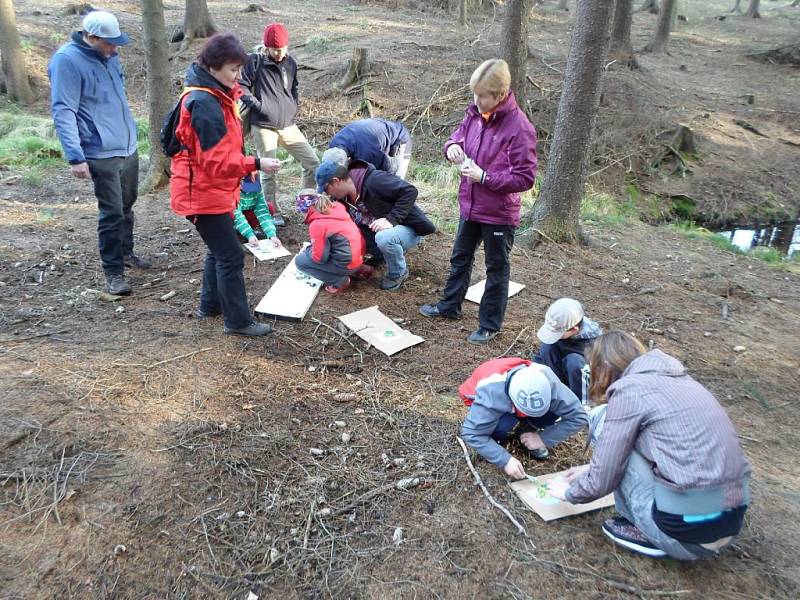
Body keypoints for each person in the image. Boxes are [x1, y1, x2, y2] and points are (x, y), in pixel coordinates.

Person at [547, 332, 751, 560]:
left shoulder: (628, 390)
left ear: (604, 366)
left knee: (603, 419)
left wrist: (567, 493)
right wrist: (589, 468)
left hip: (683, 536)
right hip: (730, 523)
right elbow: (674, 448)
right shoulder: (682, 381)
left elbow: (603, 478)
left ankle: (643, 529)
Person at [169, 33, 282, 336]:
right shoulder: (204, 103)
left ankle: (210, 305)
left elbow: (224, 152)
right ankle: (238, 321)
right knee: (231, 254)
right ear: (214, 67)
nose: (238, 76)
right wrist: (255, 164)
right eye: (233, 70)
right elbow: (216, 161)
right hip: (201, 193)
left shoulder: (217, 95)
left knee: (218, 251)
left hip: (211, 190)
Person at [419, 59, 537, 345]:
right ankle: (449, 306)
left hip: (498, 212)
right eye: (474, 94)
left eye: (482, 96)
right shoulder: (474, 113)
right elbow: (455, 137)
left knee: (496, 269)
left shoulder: (519, 127)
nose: (476, 100)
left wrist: (484, 177)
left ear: (499, 95)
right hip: (470, 204)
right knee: (460, 257)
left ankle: (489, 324)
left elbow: (524, 178)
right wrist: (452, 148)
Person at [48, 10, 150, 296]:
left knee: (127, 204)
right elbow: (63, 110)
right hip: (98, 151)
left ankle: (127, 253)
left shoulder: (110, 56)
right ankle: (113, 272)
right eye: (109, 43)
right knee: (112, 212)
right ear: (91, 37)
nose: (115, 48)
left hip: (126, 146)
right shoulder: (66, 61)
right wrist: (75, 156)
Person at [315, 159, 435, 291]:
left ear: (336, 181)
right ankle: (382, 255)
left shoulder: (374, 180)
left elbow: (410, 191)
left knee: (384, 238)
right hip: (379, 230)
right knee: (352, 231)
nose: (328, 194)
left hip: (408, 228)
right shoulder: (343, 198)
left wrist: (391, 220)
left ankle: (398, 273)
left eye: (327, 189)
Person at [460, 358, 589, 475]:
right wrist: (504, 460)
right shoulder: (491, 396)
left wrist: (543, 438)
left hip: (514, 398)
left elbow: (579, 417)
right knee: (503, 425)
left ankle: (527, 430)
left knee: (553, 410)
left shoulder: (548, 381)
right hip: (484, 395)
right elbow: (472, 433)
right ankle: (495, 442)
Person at [239, 23, 319, 208]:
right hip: (264, 125)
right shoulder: (254, 61)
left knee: (313, 163)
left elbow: (294, 88)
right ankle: (271, 212)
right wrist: (259, 106)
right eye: (275, 50)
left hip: (288, 124)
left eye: (282, 49)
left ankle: (305, 205)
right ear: (266, 47)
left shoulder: (290, 63)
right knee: (268, 171)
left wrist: (293, 105)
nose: (279, 53)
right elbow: (241, 86)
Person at [294, 190, 374, 294]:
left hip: (347, 263)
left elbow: (319, 258)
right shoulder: (337, 207)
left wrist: (308, 251)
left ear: (307, 210)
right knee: (339, 247)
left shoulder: (318, 225)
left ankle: (338, 280)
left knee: (300, 261)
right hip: (359, 255)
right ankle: (360, 268)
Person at [534, 298, 603, 403]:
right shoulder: (565, 332)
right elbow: (541, 358)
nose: (555, 336)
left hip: (581, 386)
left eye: (558, 333)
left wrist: (584, 407)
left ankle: (574, 403)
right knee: (547, 347)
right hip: (562, 378)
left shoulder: (591, 346)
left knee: (574, 362)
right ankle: (555, 390)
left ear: (574, 330)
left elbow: (593, 379)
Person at [322, 118, 412, 179]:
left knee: (395, 184)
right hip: (372, 137)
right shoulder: (334, 145)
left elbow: (386, 169)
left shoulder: (366, 154)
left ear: (347, 160)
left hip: (399, 139)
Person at [234, 175, 282, 249]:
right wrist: (249, 234)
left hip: (246, 213)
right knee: (228, 215)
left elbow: (263, 211)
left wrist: (272, 235)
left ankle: (244, 231)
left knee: (269, 208)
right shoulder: (233, 191)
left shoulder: (257, 189)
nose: (251, 190)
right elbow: (237, 215)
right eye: (248, 187)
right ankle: (234, 231)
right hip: (232, 215)